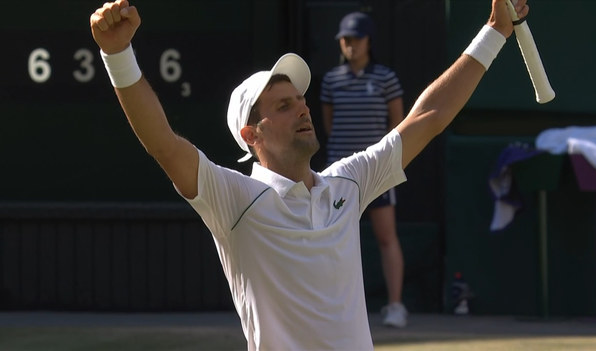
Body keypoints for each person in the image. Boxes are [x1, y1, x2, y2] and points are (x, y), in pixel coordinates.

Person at [89, 0, 529, 349]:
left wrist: (494, 31)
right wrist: (117, 54)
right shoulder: (234, 198)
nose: (302, 107)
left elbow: (429, 116)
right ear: (251, 134)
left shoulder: (348, 182)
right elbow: (163, 144)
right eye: (283, 105)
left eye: (299, 98)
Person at [321, 11, 408, 328]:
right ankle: (333, 310)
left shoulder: (386, 79)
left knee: (387, 237)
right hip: (338, 174)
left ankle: (396, 306)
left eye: (355, 39)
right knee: (333, 240)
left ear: (368, 41)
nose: (350, 45)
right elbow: (330, 126)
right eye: (345, 40)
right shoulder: (331, 81)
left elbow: (398, 125)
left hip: (378, 172)